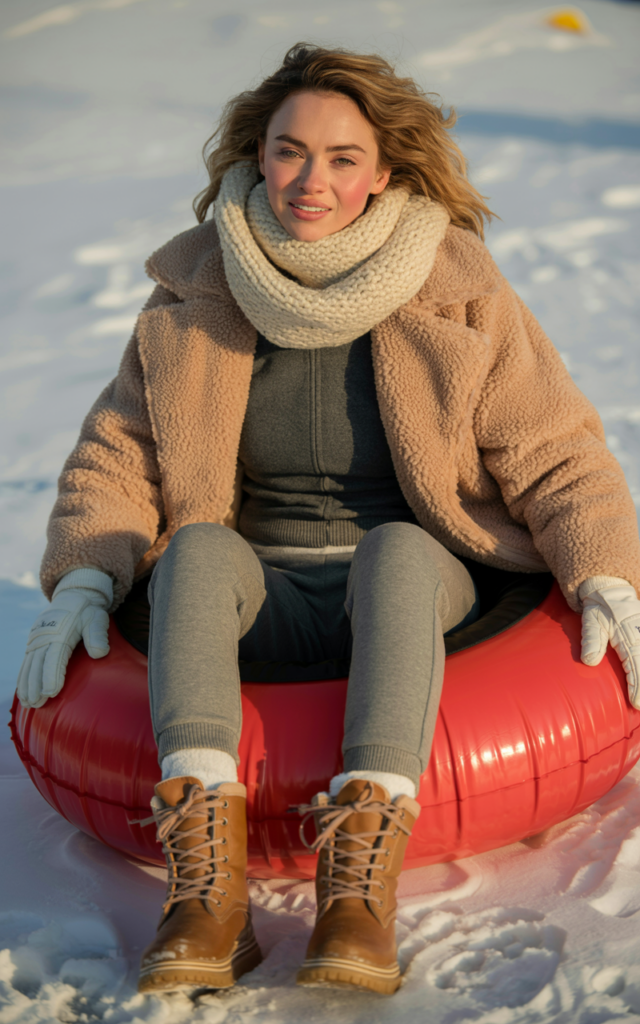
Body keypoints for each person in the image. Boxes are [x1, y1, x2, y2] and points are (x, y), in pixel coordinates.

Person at [16, 43, 640, 997]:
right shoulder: (197, 289)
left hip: (417, 583)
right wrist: (86, 578)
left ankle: (360, 894)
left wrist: (606, 573)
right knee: (199, 552)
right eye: (289, 150)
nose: (312, 179)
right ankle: (208, 893)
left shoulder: (457, 287)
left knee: (393, 549)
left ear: (383, 171)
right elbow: (122, 451)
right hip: (259, 585)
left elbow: (552, 447)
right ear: (255, 157)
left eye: (342, 157)